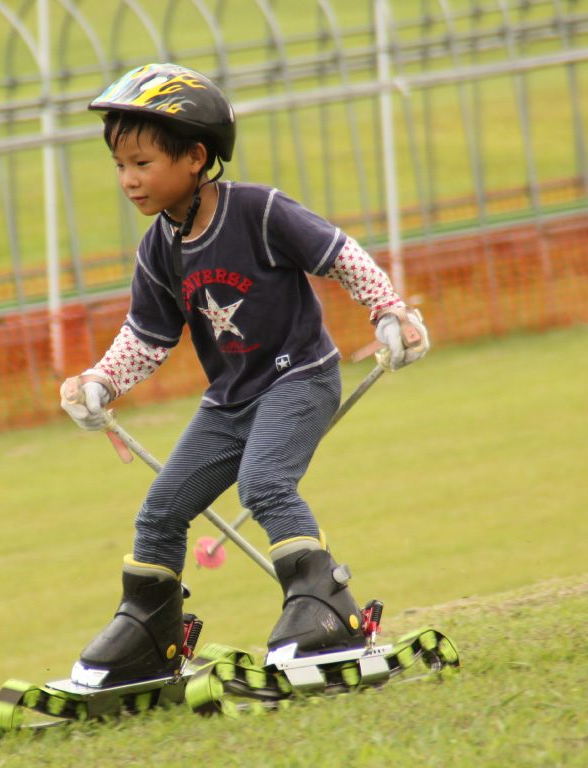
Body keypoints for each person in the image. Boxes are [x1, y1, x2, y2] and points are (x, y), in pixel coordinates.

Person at [60, 63, 429, 688]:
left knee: (265, 484)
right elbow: (148, 337)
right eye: (120, 165)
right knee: (159, 513)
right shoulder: (159, 248)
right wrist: (100, 380)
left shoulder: (258, 212)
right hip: (230, 402)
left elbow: (341, 254)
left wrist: (390, 312)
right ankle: (151, 635)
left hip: (300, 379)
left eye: (142, 163)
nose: (128, 180)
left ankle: (324, 610)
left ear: (195, 156)